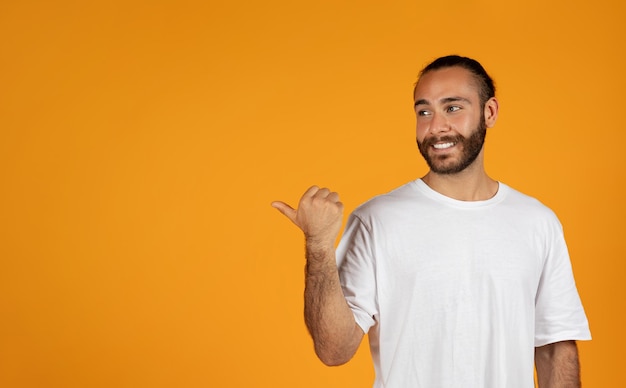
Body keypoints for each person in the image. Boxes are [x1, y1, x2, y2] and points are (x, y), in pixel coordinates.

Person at [271, 55, 591, 387]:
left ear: (489, 112)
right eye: (424, 112)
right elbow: (334, 350)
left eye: (453, 108)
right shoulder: (376, 220)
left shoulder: (537, 222)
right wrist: (319, 245)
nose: (435, 126)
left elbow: (555, 350)